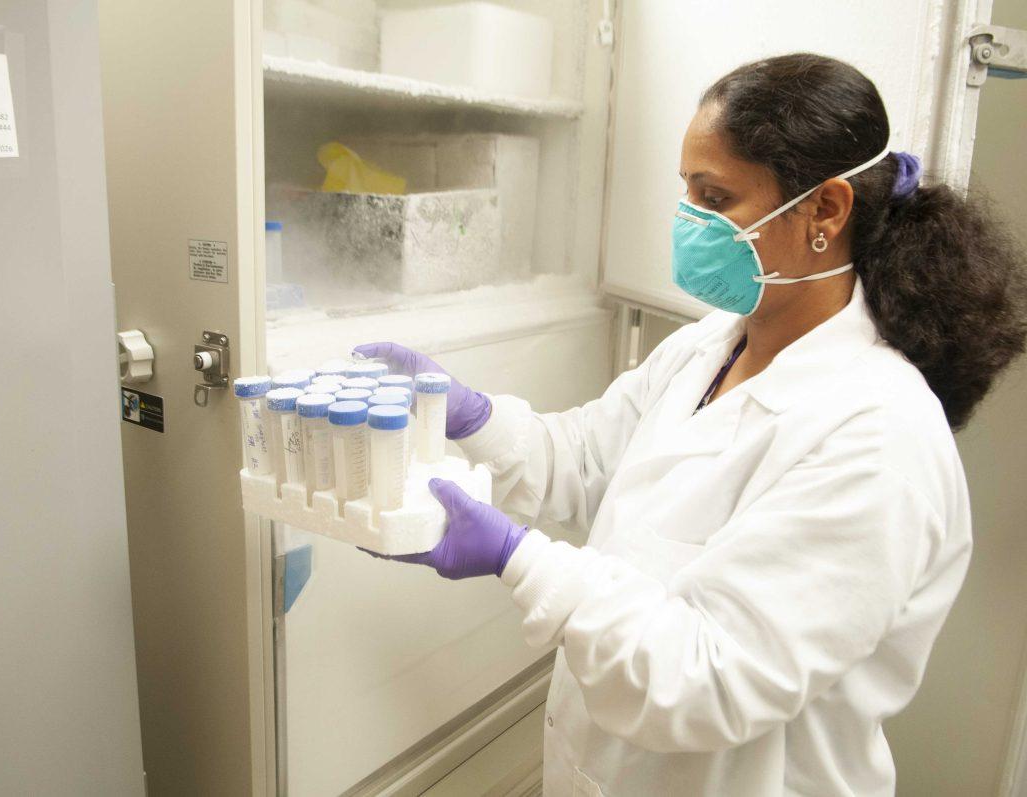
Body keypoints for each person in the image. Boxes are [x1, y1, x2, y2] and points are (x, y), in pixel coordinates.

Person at [357, 53, 1027, 796]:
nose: (689, 222)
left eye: (716, 197)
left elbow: (708, 678)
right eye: (687, 192)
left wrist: (517, 556)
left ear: (826, 211)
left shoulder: (880, 437)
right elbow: (585, 457)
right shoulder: (715, 341)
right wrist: (472, 415)